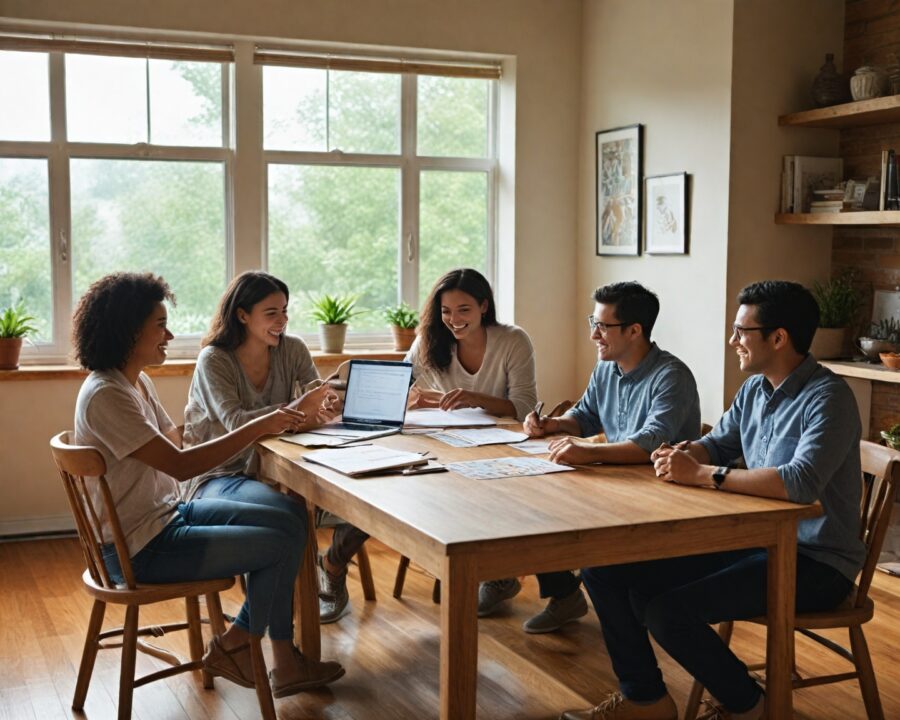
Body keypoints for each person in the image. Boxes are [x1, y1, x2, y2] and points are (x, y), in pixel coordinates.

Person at [561, 280, 865, 720]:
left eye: (742, 331)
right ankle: (647, 701)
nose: (732, 340)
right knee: (604, 569)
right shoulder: (755, 390)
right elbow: (719, 443)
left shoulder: (829, 398)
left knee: (667, 613)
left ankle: (751, 706)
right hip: (755, 540)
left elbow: (800, 482)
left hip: (815, 560)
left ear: (778, 338)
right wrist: (684, 454)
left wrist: (704, 474)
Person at [72, 272, 344, 698]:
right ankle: (240, 645)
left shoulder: (134, 382)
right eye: (160, 325)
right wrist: (261, 423)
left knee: (292, 520)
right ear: (129, 331)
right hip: (141, 549)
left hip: (164, 517)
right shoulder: (107, 395)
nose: (170, 334)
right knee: (280, 544)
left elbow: (177, 442)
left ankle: (261, 653)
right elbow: (181, 467)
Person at [316, 267, 538, 624]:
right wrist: (408, 398)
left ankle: (504, 578)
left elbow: (525, 409)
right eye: (446, 311)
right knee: (379, 485)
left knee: (522, 497)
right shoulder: (428, 342)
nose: (453, 320)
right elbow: (399, 390)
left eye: (463, 310)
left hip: (500, 450)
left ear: (484, 306)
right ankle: (334, 565)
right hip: (440, 444)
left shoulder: (512, 341)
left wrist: (475, 399)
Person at [523, 281, 701, 634]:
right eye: (594, 322)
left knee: (571, 535)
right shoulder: (607, 367)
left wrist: (588, 451)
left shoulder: (671, 376)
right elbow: (586, 415)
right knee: (534, 505)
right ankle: (564, 595)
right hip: (618, 485)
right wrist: (551, 424)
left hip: (665, 498)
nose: (593, 335)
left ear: (634, 330)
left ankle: (617, 620)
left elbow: (650, 444)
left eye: (602, 326)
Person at [182, 271, 338, 519]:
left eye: (285, 310)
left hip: (273, 469)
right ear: (242, 315)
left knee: (358, 496)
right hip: (220, 475)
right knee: (294, 513)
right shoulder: (214, 359)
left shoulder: (293, 349)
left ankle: (329, 559)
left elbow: (317, 396)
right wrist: (300, 407)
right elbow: (236, 423)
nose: (283, 320)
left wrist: (327, 404)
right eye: (271, 313)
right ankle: (305, 556)